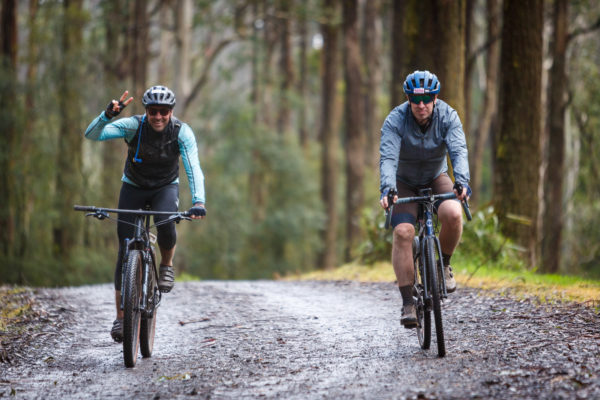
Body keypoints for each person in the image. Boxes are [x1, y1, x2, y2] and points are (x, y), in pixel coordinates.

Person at [84, 86, 206, 342]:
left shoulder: (181, 132)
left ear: (171, 112)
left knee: (165, 222)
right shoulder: (133, 126)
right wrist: (107, 115)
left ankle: (166, 264)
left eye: (164, 111)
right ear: (146, 111)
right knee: (125, 248)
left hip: (165, 187)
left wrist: (198, 201)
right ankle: (120, 318)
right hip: (134, 186)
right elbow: (93, 135)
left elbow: (193, 166)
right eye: (153, 111)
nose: (158, 116)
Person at [379, 70, 470, 328]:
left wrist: (462, 182)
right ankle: (408, 302)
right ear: (408, 99)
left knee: (453, 213)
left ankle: (444, 264)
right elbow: (387, 158)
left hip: (435, 176)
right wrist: (388, 188)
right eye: (415, 100)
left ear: (435, 97)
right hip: (403, 182)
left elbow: (458, 150)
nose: (421, 105)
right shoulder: (395, 120)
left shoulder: (448, 116)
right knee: (404, 233)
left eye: (427, 99)